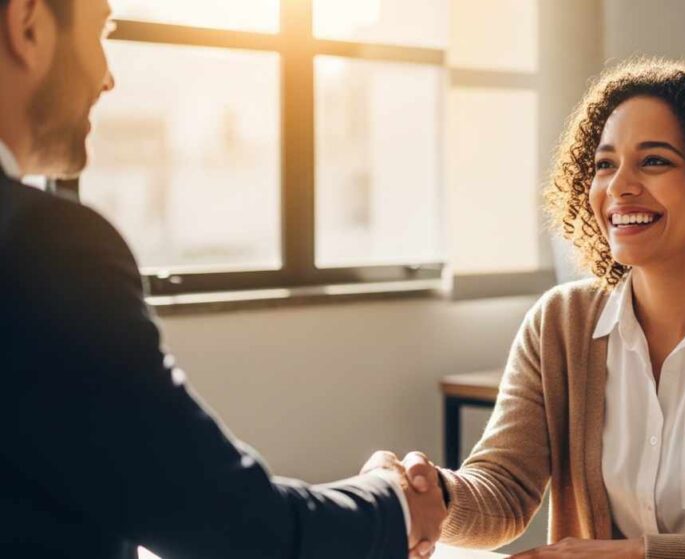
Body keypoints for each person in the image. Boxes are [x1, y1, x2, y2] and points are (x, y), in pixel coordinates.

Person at [368, 59, 685, 559]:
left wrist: (631, 555)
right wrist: (432, 495)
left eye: (654, 161)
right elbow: (504, 490)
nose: (618, 187)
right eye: (604, 164)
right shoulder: (559, 322)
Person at [0, 1, 444, 557]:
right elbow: (237, 527)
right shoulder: (41, 244)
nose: (107, 78)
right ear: (29, 24)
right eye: (101, 31)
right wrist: (395, 502)